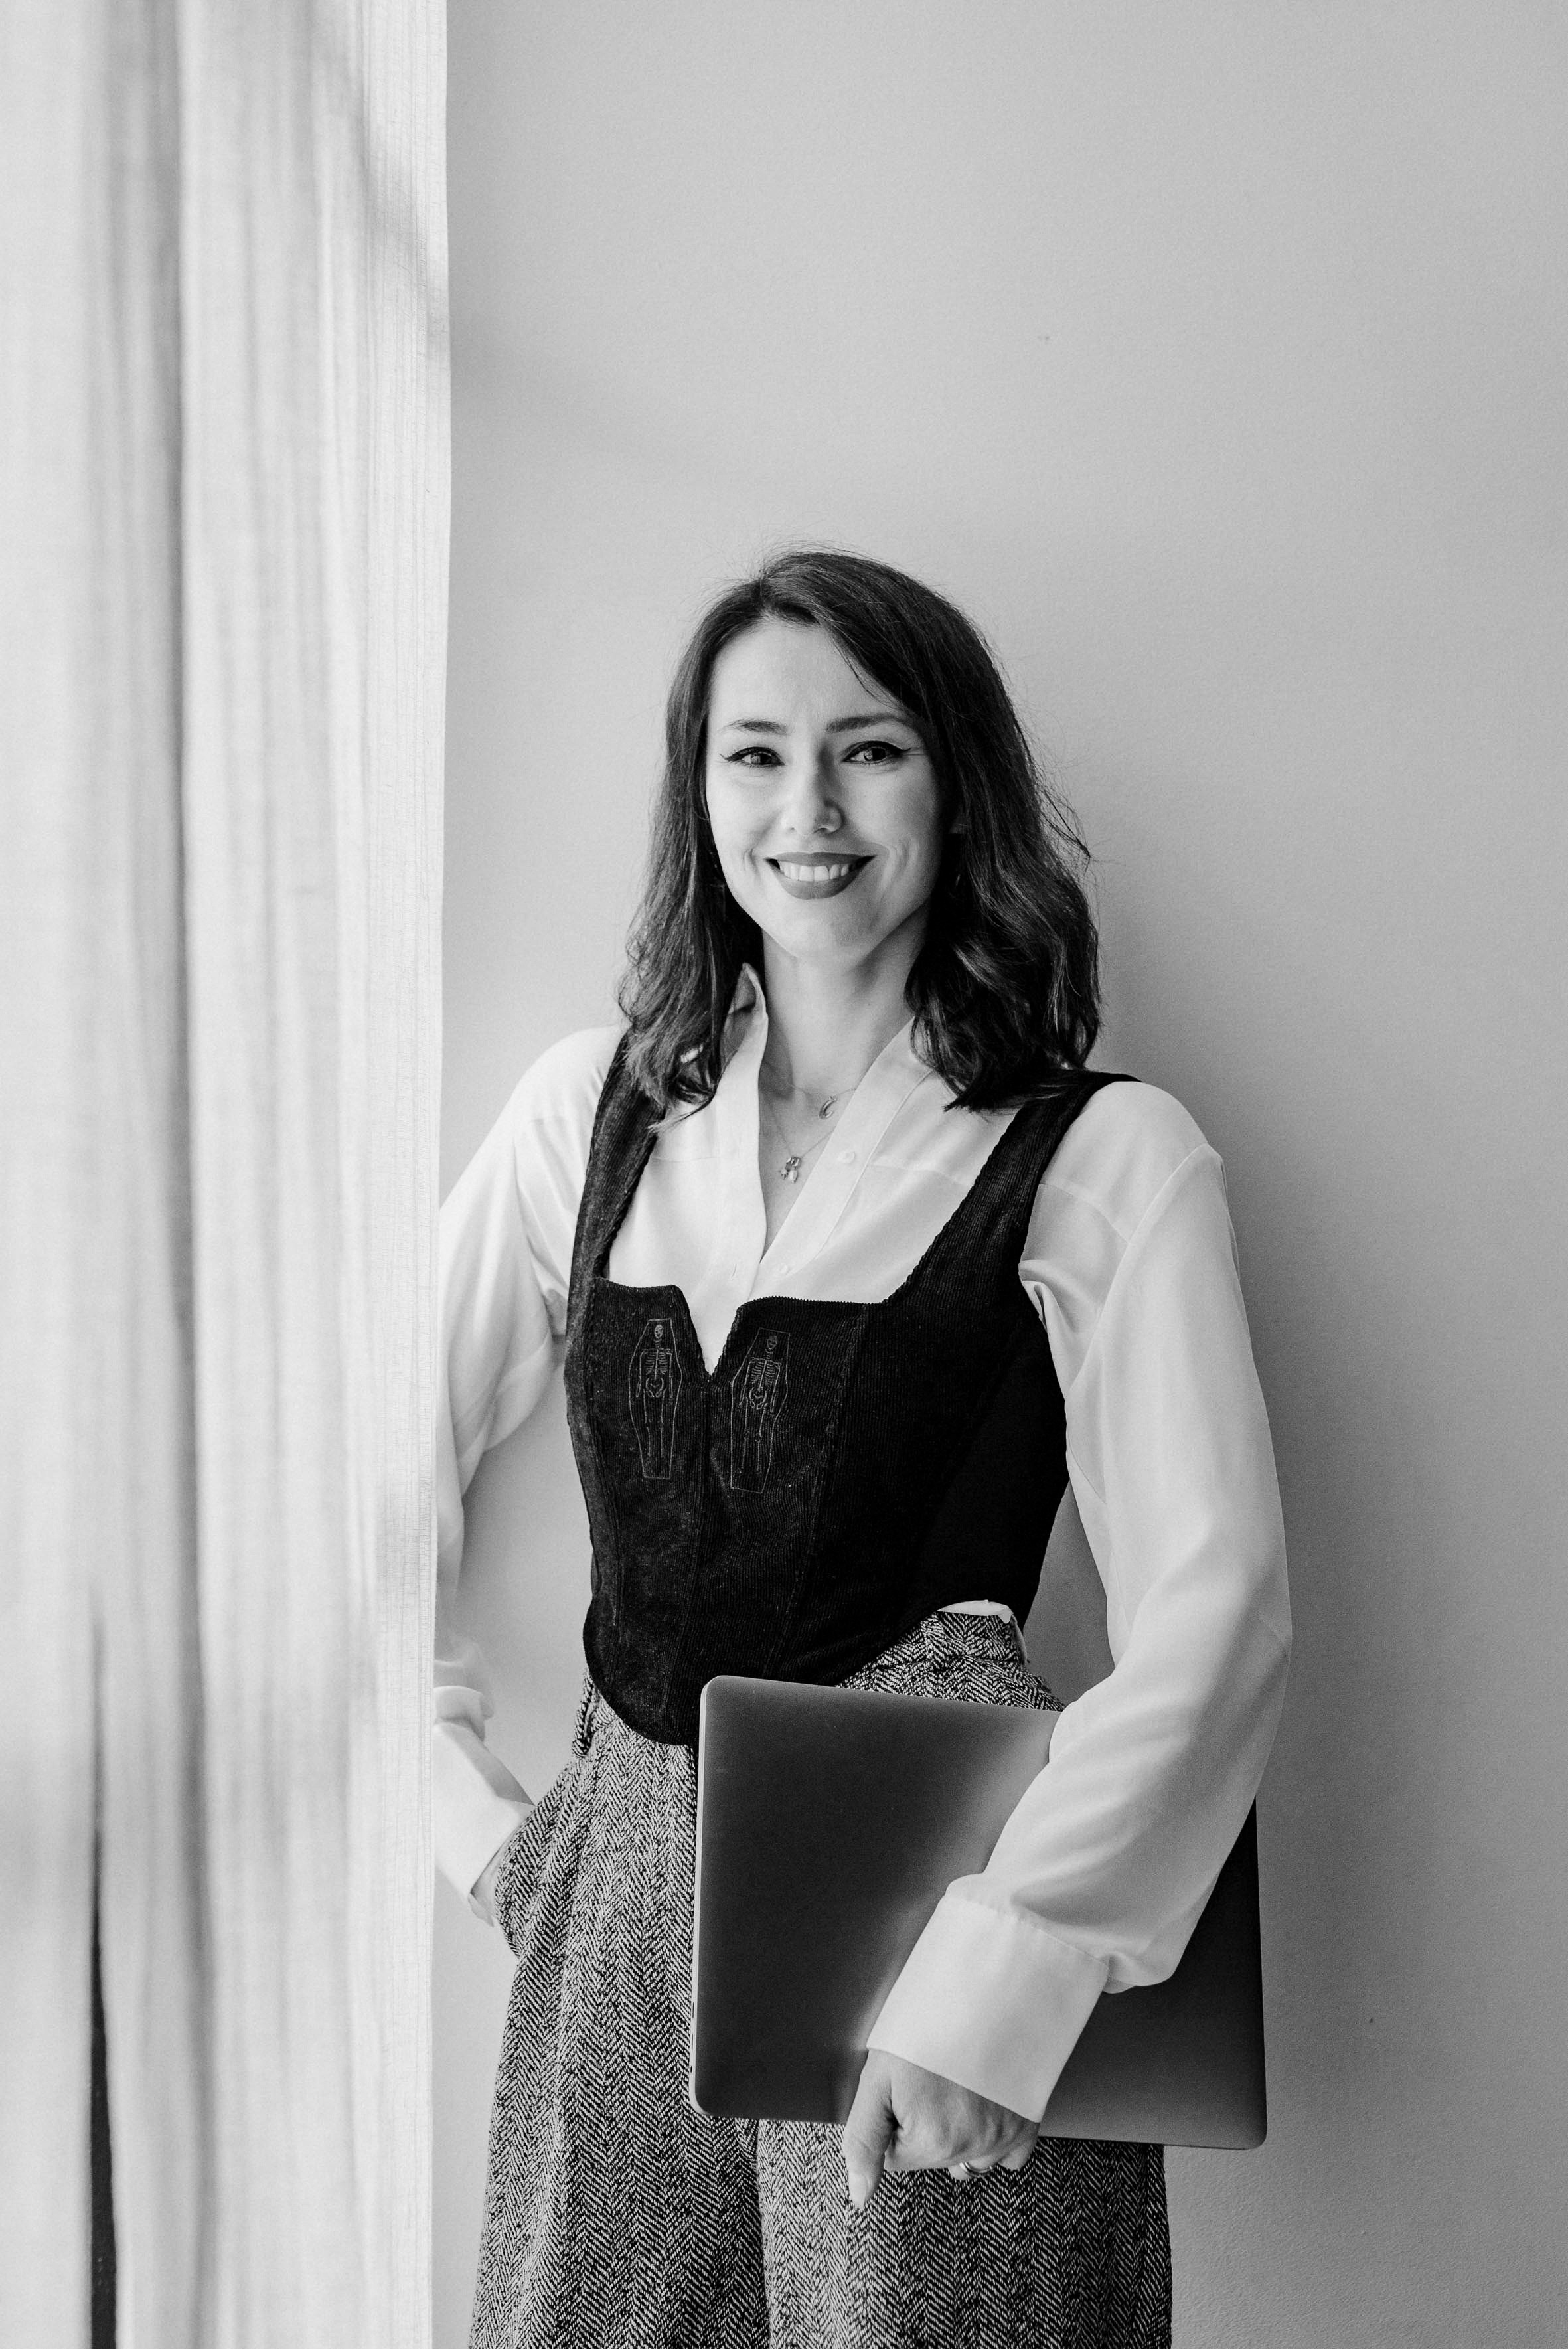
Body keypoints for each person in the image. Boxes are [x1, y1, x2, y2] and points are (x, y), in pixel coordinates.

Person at [435, 550, 1291, 2349]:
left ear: (954, 785)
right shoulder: (584, 1115)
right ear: (699, 796)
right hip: (617, 1912)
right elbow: (344, 1490)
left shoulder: (1104, 1153)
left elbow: (1217, 1614)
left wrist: (1011, 1971)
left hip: (941, 1898)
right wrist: (480, 1826)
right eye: (754, 755)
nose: (806, 812)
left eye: (869, 750)